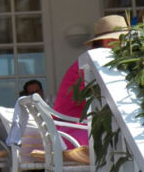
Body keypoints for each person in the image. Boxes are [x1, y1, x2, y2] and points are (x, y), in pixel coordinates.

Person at [53, 14, 129, 147]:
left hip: (68, 133)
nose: (128, 47)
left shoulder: (89, 61)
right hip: (75, 135)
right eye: (124, 42)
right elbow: (112, 102)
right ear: (109, 42)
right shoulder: (95, 64)